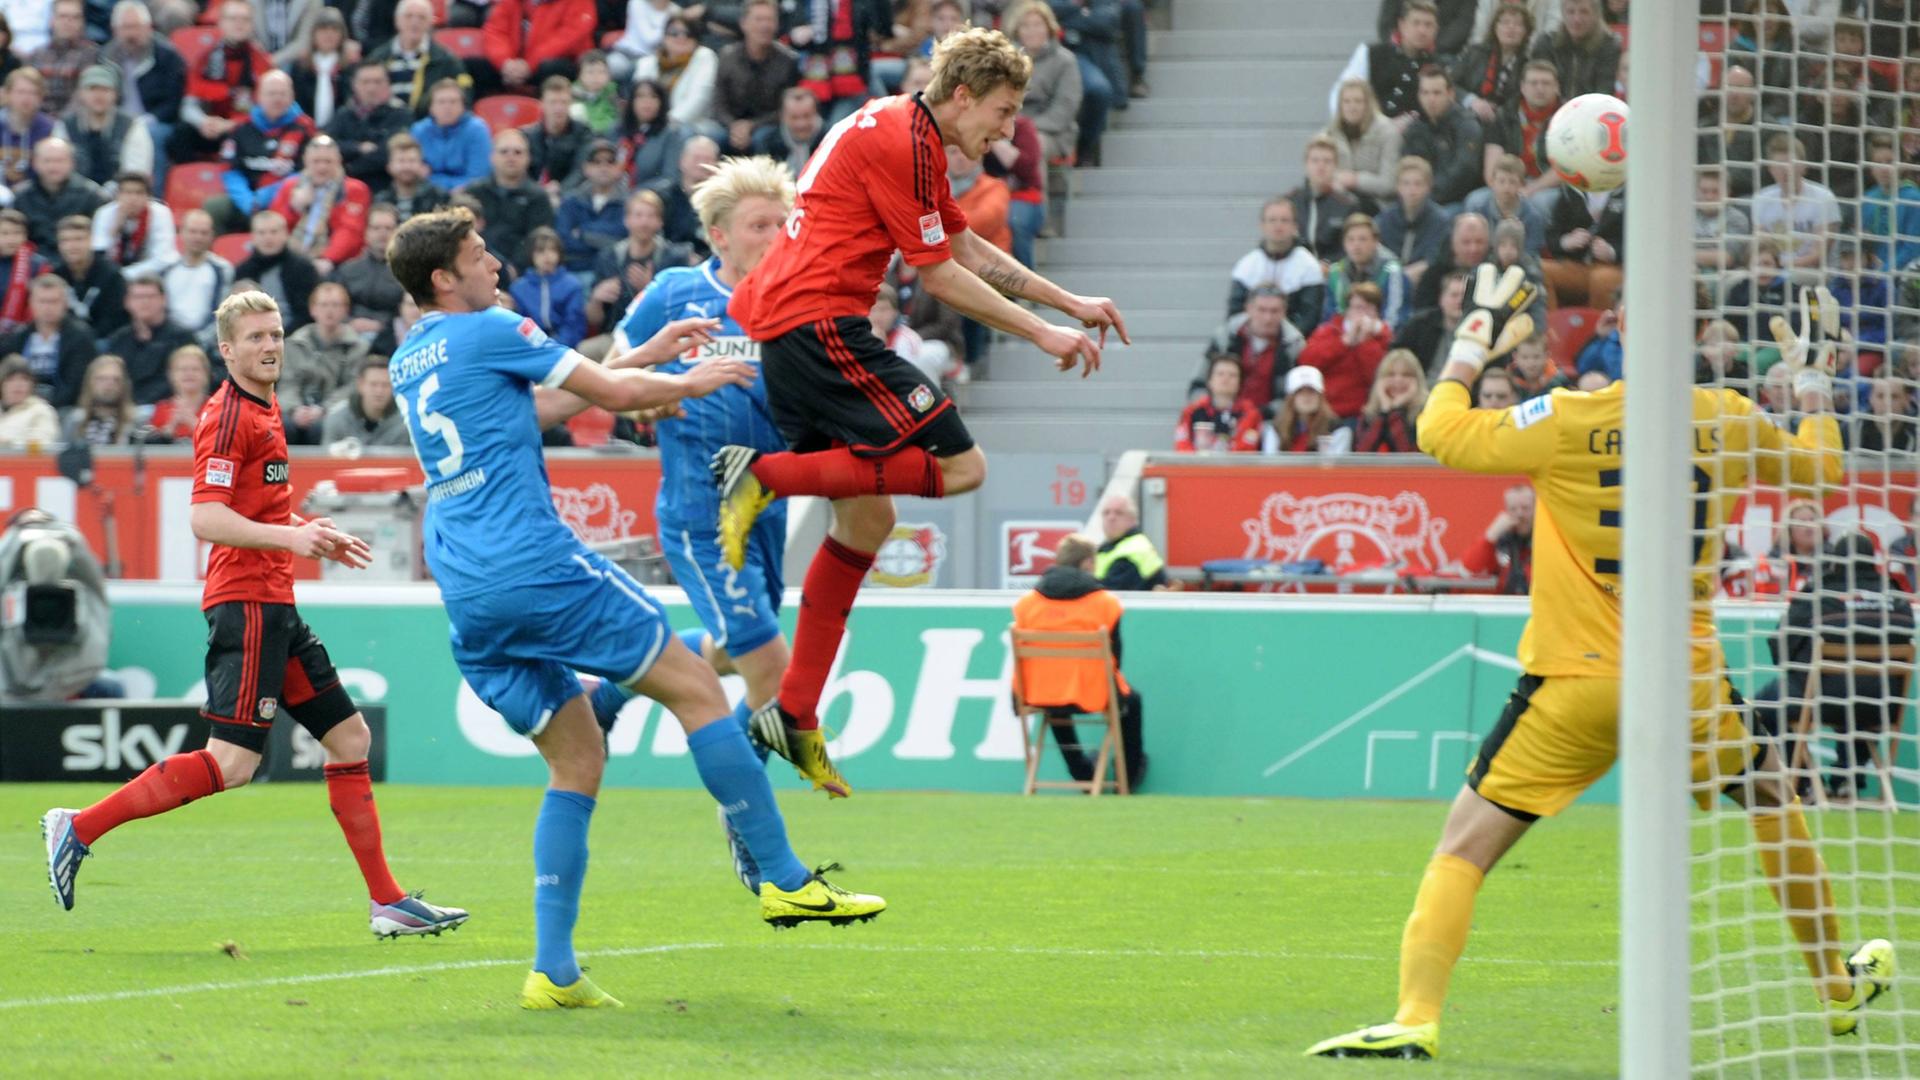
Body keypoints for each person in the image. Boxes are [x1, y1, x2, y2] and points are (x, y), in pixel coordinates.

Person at [1307, 267, 1889, 1061]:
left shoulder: (1566, 417)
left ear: (1619, 329)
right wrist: (1815, 385)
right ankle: (1835, 988)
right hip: (1683, 686)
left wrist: (1477, 333)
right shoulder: (1727, 416)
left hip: (1573, 684)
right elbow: (1821, 475)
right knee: (1768, 799)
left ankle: (1415, 1014)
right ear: (1694, 337)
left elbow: (1438, 432)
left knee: (1461, 849)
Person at [384, 205, 882, 1008]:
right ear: (444, 278)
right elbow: (611, 393)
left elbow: (534, 409)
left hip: (465, 589)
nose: (498, 267)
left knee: (577, 760)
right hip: (534, 564)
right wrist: (689, 379)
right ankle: (785, 878)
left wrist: (647, 351)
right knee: (695, 687)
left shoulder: (413, 357)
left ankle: (553, 971)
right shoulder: (491, 329)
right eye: (480, 256)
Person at [712, 28, 1124, 795]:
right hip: (822, 326)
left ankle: (792, 713)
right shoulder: (906, 140)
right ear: (961, 94)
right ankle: (762, 476)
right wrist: (1042, 333)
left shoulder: (906, 130)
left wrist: (1069, 302)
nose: (1007, 130)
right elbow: (939, 276)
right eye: (1002, 112)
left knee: (866, 523)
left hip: (794, 328)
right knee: (962, 467)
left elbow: (966, 247)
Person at [40, 289, 470, 940]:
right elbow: (205, 516)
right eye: (256, 337)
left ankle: (387, 901)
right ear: (227, 349)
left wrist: (307, 529)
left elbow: (258, 511)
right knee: (233, 765)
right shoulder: (229, 416)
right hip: (246, 604)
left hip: (275, 602)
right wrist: (289, 539)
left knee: (349, 739)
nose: (270, 345)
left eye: (275, 334)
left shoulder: (264, 409)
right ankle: (78, 825)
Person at [607, 154, 869, 890]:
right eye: (760, 224)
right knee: (773, 674)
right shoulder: (677, 292)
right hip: (700, 514)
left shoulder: (799, 300)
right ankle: (756, 843)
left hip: (767, 513)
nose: (776, 234)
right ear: (719, 235)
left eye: (783, 222)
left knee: (733, 647)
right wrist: (648, 398)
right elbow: (614, 366)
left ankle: (612, 685)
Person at [1753, 534, 1917, 806]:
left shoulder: (1819, 593)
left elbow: (1781, 646)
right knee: (1864, 690)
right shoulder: (1897, 599)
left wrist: (1799, 664)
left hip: (1822, 701)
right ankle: (1847, 779)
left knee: (1763, 706)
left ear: (1833, 560)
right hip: (1882, 706)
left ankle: (1802, 784)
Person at [1011, 533, 1147, 789]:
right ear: (1086, 564)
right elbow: (1115, 659)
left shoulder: (1026, 605)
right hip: (1092, 693)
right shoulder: (1105, 603)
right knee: (1132, 703)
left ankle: (1081, 772)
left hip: (1038, 692)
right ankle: (1127, 777)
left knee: (1055, 705)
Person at [207, 71, 319, 234]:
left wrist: (269, 195)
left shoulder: (305, 127)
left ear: (292, 96)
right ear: (259, 96)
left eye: (282, 94)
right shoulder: (242, 127)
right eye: (271, 93)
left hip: (286, 199)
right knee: (214, 208)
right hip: (247, 200)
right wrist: (247, 201)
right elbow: (229, 169)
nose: (277, 99)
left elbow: (308, 172)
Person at [171, 3, 274, 166]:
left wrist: (230, 125)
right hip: (210, 127)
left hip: (244, 128)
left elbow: (268, 111)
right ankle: (191, 179)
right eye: (233, 19)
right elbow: (188, 105)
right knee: (181, 133)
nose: (239, 24)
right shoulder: (205, 60)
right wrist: (203, 122)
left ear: (252, 25)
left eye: (245, 19)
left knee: (248, 135)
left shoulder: (262, 62)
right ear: (221, 23)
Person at [588, 188, 691, 336]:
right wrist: (596, 299)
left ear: (660, 222)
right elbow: (594, 320)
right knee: (586, 350)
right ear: (626, 220)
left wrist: (649, 290)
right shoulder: (609, 257)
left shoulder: (674, 257)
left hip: (660, 336)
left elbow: (681, 311)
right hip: (615, 336)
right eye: (638, 215)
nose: (644, 222)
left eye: (651, 216)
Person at [267, 136, 372, 277]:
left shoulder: (354, 189)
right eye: (316, 161)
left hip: (335, 262)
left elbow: (350, 230)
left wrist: (327, 259)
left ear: (338, 161)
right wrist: (294, 208)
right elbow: (273, 226)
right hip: (290, 257)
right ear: (305, 161)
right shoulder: (290, 186)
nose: (322, 167)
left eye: (328, 161)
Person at [280, 281, 368, 442]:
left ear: (345, 310)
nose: (329, 311)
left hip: (335, 410)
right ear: (313, 309)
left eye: (336, 305)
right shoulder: (293, 344)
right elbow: (287, 383)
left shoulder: (358, 347)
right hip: (297, 408)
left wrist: (323, 409)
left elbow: (353, 387)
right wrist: (295, 409)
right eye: (324, 305)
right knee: (284, 427)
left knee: (322, 427)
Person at [1226, 197, 1326, 339]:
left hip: (1294, 343)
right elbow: (1234, 315)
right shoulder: (1246, 266)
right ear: (1262, 225)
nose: (1278, 226)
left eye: (1284, 220)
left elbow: (1310, 318)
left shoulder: (1309, 266)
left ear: (1295, 226)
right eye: (1272, 220)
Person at [1196, 286, 1302, 417]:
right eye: (1261, 310)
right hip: (1221, 417)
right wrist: (1207, 412)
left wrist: (1256, 416)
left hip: (1271, 422)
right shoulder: (1225, 337)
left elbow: (1295, 397)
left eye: (1274, 311)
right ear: (1248, 309)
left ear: (1284, 312)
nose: (1267, 318)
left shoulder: (1294, 345)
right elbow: (1198, 384)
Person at [1330, 0, 1438, 122]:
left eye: (1428, 25)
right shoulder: (1370, 53)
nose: (1422, 31)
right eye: (1416, 23)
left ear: (1435, 29)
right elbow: (1342, 92)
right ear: (1402, 25)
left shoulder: (1438, 65)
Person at [712, 0, 798, 155]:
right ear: (743, 23)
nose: (764, 26)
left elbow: (786, 108)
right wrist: (734, 126)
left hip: (768, 125)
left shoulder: (788, 60)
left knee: (762, 139)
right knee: (708, 137)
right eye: (758, 19)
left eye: (770, 20)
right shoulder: (727, 56)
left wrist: (752, 125)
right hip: (730, 125)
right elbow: (719, 103)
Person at [1299, 281, 1393, 419]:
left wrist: (1365, 342)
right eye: (1358, 308)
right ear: (1348, 310)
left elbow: (1377, 376)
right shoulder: (1329, 331)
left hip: (1359, 413)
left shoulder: (1385, 338)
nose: (1363, 314)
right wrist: (1344, 342)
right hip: (1322, 408)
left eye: (1369, 309)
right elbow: (1307, 363)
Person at [1751, 132, 1841, 273]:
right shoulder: (1761, 199)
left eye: (1790, 164)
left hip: (1814, 274)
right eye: (1779, 165)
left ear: (1804, 166)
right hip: (1774, 272)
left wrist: (1783, 268)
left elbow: (1818, 255)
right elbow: (1762, 248)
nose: (1786, 171)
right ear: (1770, 169)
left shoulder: (1824, 198)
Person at [0, 273, 93, 406]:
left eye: (54, 301)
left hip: (64, 408)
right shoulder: (17, 338)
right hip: (19, 405)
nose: (48, 307)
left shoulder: (80, 338)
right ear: (31, 303)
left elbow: (75, 387)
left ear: (65, 304)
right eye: (42, 301)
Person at [365, 0, 470, 118]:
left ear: (431, 23)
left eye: (422, 17)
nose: (415, 22)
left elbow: (465, 96)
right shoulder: (378, 58)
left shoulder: (447, 60)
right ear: (397, 20)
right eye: (408, 16)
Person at [467, 128, 554, 270]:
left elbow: (539, 240)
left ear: (528, 157)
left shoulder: (539, 197)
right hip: (476, 266)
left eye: (518, 152)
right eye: (504, 151)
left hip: (523, 273)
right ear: (492, 156)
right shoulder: (473, 193)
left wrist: (513, 268)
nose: (511, 157)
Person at [1402, 66, 1484, 209]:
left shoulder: (1467, 125)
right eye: (1425, 93)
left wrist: (1429, 195)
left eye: (1437, 93)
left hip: (1457, 201)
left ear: (1450, 94)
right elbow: (1407, 167)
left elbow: (1464, 171)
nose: (1430, 99)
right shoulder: (1415, 128)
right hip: (1419, 199)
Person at [479, 0, 596, 99]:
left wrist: (529, 64)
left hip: (560, 63)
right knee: (476, 67)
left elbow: (567, 38)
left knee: (551, 68)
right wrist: (505, 62)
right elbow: (495, 30)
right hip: (514, 65)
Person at [107, 275, 197, 404]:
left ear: (163, 300)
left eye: (150, 296)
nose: (145, 302)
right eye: (138, 297)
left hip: (166, 407)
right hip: (124, 409)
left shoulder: (182, 338)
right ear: (127, 302)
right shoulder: (119, 339)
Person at [1010, 2, 1079, 164]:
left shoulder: (1065, 61)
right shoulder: (1008, 60)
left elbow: (1064, 109)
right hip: (1010, 128)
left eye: (1037, 25)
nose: (1032, 31)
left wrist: (1025, 129)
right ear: (1017, 31)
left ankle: (1035, 190)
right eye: (1025, 26)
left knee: (1034, 144)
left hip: (1052, 132)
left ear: (1048, 28)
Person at [235, 209, 322, 332]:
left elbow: (308, 314)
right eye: (262, 233)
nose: (268, 238)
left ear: (285, 234)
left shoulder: (303, 268)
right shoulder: (243, 272)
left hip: (296, 338)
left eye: (274, 232)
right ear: (253, 237)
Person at [326, 62, 411, 188]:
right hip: (343, 186)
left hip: (384, 185)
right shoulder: (343, 114)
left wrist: (349, 168)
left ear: (388, 84)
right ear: (354, 85)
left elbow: (387, 154)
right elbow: (330, 146)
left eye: (378, 82)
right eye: (365, 82)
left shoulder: (401, 114)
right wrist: (358, 147)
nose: (371, 88)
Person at [1323, 78, 1401, 213]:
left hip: (1378, 205)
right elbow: (1319, 173)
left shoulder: (1388, 133)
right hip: (1338, 201)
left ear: (1368, 104)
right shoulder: (1329, 134)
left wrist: (1355, 180)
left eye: (1358, 101)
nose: (1352, 107)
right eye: (1346, 101)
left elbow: (1389, 184)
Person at [1540, 181, 1623, 309]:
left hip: (1613, 268)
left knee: (1601, 279)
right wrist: (1566, 241)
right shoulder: (1571, 190)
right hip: (1578, 267)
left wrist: (1612, 251)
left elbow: (1644, 244)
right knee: (1539, 270)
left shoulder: (1628, 193)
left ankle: (1602, 328)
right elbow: (1551, 235)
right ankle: (1551, 326)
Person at [1375, 156, 1452, 288]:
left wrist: (1404, 276)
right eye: (1406, 183)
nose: (1412, 190)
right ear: (1398, 186)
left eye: (1418, 184)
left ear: (1428, 186)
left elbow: (1435, 259)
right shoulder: (1385, 219)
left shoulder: (1441, 221)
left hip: (1425, 284)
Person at [1323, 213, 1409, 330]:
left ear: (1375, 242)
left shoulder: (1392, 272)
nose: (1356, 245)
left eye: (1362, 239)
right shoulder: (1336, 273)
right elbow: (1330, 318)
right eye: (1350, 239)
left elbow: (1395, 319)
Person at [1451, 2, 1533, 124]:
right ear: (1495, 27)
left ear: (1526, 32)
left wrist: (1497, 111)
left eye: (1518, 24)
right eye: (1505, 22)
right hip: (1466, 114)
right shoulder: (1475, 53)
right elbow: (1450, 84)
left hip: (1504, 123)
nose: (1511, 27)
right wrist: (1472, 101)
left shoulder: (1528, 65)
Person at [556, 140, 630, 273]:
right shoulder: (570, 202)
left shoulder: (629, 204)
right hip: (576, 272)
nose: (603, 167)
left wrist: (582, 233)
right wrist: (605, 241)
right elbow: (563, 242)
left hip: (614, 274)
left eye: (610, 161)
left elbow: (625, 243)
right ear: (586, 168)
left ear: (619, 168)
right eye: (596, 162)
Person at [333, 202, 405, 336]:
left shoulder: (409, 272)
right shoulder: (347, 270)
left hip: (393, 337)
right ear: (366, 232)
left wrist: (382, 325)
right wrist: (350, 322)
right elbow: (334, 306)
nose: (382, 233)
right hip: (349, 334)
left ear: (398, 232)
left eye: (388, 228)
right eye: (376, 228)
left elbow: (412, 311)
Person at [164, 209, 236, 340]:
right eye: (193, 232)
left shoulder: (222, 269)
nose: (198, 237)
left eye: (204, 233)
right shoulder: (166, 268)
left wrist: (196, 341)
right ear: (181, 233)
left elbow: (221, 314)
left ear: (212, 235)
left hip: (206, 343)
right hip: (168, 339)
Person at [92, 170, 176, 279]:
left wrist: (125, 275)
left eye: (139, 193)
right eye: (127, 192)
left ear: (148, 196)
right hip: (112, 275)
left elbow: (163, 258)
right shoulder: (105, 213)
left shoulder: (161, 213)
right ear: (118, 195)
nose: (133, 198)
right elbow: (98, 253)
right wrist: (115, 230)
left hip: (150, 275)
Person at [510, 227, 586, 348]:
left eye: (552, 250)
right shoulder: (519, 288)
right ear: (531, 254)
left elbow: (573, 325)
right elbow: (520, 324)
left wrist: (555, 347)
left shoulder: (572, 285)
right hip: (531, 347)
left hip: (564, 347)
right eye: (540, 251)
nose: (547, 256)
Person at [410, 78, 491, 192]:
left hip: (467, 193)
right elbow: (415, 173)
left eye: (453, 101)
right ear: (431, 107)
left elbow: (479, 177)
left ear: (463, 106)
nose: (447, 107)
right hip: (427, 194)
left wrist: (435, 181)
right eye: (441, 102)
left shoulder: (477, 130)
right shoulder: (419, 131)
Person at [52, 212, 124, 337]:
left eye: (78, 239)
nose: (72, 246)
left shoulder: (112, 276)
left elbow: (115, 321)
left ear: (91, 240)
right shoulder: (56, 275)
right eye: (65, 240)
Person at [1526, 0, 1617, 99]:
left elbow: (1604, 92)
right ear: (1563, 14)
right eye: (1570, 12)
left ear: (1596, 15)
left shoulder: (1608, 46)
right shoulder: (1546, 44)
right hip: (1553, 111)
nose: (1577, 19)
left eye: (1584, 12)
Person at [1289, 136, 1359, 262]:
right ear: (1306, 164)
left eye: (1327, 161)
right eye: (1315, 161)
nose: (1321, 166)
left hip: (1334, 273)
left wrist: (1330, 267)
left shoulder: (1347, 205)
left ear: (1336, 166)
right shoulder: (1290, 202)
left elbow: (1352, 247)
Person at [1174, 353, 1261, 453]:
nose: (1226, 379)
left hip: (1234, 467)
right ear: (1210, 380)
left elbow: (1244, 450)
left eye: (1232, 375)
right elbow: (1182, 446)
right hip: (1196, 466)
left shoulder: (1250, 413)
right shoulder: (1192, 411)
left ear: (1240, 383)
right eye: (1220, 374)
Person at [26, 0, 98, 120]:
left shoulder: (92, 54)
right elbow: (30, 93)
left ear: (82, 22)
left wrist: (62, 122)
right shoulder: (36, 55)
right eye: (63, 16)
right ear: (52, 21)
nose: (68, 22)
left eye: (75, 17)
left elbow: (84, 94)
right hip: (38, 122)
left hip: (75, 124)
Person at [1347, 347, 1427, 452]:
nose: (1398, 380)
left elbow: (1409, 456)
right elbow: (1362, 453)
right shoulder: (1370, 414)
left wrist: (1395, 410)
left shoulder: (1426, 413)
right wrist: (1384, 411)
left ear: (1417, 381)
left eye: (1406, 375)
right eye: (1391, 374)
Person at [320, 354, 408, 448]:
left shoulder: (406, 423)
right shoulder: (337, 419)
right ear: (360, 385)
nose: (379, 391)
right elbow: (327, 456)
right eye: (373, 384)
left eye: (386, 385)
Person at [0, 69, 65, 194]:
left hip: (36, 197)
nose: (26, 98)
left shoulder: (51, 128)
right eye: (21, 92)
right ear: (7, 94)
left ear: (41, 97)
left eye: (33, 93)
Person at [1462, 481, 1533, 593]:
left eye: (1525, 508)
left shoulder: (1547, 538)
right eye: (1513, 509)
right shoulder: (1500, 541)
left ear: (1535, 509)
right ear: (1506, 511)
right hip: (1504, 603)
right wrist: (1490, 536)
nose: (1519, 514)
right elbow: (1470, 569)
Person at [1093, 492, 1164, 590]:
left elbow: (1113, 592)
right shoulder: (1110, 547)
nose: (1111, 517)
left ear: (1133, 519)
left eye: (1119, 513)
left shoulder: (1134, 550)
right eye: (1106, 513)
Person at [749, 86, 823, 179]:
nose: (801, 124)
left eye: (806, 116)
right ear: (782, 117)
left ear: (816, 113)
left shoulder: (830, 140)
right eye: (794, 117)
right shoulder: (767, 142)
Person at [61, 351, 134, 445]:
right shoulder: (75, 420)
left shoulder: (135, 423)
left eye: (116, 380)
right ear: (89, 383)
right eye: (102, 379)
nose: (109, 384)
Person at [146, 342, 214, 441]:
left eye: (195, 369)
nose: (189, 374)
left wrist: (192, 422)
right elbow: (153, 449)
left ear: (206, 375)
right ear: (171, 376)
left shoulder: (217, 408)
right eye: (182, 369)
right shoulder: (161, 409)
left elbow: (222, 443)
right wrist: (170, 427)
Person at [374, 132, 448, 221]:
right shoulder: (381, 200)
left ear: (421, 165)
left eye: (412, 161)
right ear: (389, 166)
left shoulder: (438, 198)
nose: (407, 167)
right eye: (401, 161)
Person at [0, 209, 51, 336]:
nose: (11, 239)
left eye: (17, 233)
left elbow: (40, 306)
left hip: (22, 334)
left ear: (26, 235)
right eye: (4, 233)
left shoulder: (39, 266)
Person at [0, 354, 57, 446]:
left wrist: (8, 443)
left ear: (32, 384)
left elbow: (43, 443)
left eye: (24, 379)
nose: (18, 384)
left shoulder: (41, 411)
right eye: (11, 379)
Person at [569, 50, 622, 136]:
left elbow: (615, 117)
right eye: (590, 72)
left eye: (601, 72)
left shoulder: (611, 93)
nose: (596, 77)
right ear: (579, 76)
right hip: (583, 135)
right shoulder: (572, 94)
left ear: (609, 75)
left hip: (608, 134)